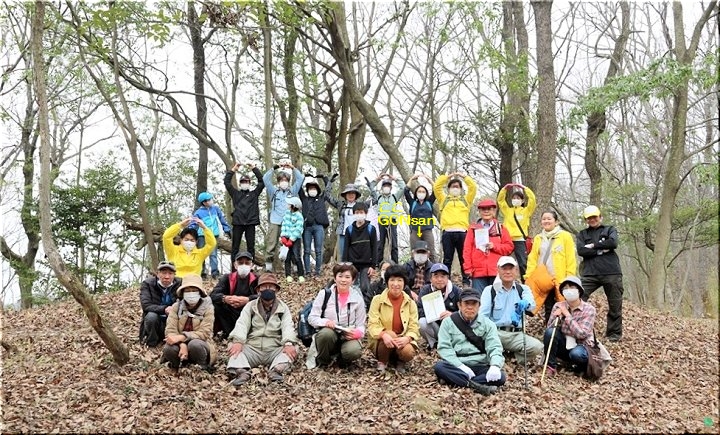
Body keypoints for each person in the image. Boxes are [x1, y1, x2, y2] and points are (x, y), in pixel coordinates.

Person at [226, 273, 299, 385]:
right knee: (233, 346)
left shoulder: (283, 308)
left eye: (271, 286)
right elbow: (242, 324)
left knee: (295, 348)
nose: (268, 289)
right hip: (252, 348)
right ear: (258, 290)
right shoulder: (250, 306)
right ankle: (242, 372)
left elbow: (287, 326)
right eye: (264, 287)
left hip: (274, 349)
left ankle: (276, 370)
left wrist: (288, 343)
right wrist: (238, 341)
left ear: (276, 289)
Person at [433, 289, 506, 396]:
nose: (470, 307)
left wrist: (495, 365)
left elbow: (494, 347)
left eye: (474, 304)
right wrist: (460, 366)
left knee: (501, 377)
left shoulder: (488, 324)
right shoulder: (448, 322)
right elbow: (444, 347)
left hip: (480, 364)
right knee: (439, 367)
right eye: (466, 303)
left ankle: (458, 381)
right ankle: (476, 385)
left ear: (479, 306)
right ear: (459, 305)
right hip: (458, 364)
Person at [480, 256, 543, 365]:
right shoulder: (490, 290)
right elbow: (482, 316)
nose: (508, 272)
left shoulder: (523, 289)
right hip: (496, 333)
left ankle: (511, 359)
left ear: (516, 271)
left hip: (516, 334)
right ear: (498, 270)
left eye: (511, 268)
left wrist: (525, 303)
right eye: (504, 268)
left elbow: (532, 305)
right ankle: (496, 356)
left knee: (536, 347)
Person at [576, 205, 624, 342]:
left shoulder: (610, 229)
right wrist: (602, 248)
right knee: (577, 298)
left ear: (600, 217)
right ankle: (576, 328)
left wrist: (593, 246)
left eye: (594, 217)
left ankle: (614, 334)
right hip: (589, 273)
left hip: (611, 272)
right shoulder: (582, 234)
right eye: (589, 218)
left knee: (615, 304)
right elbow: (581, 251)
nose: (592, 220)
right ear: (586, 220)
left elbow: (613, 243)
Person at [307, 263, 366, 368]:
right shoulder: (325, 294)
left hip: (347, 335)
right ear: (335, 278)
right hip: (329, 332)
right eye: (340, 276)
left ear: (353, 280)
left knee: (354, 350)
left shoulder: (358, 299)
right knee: (326, 334)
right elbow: (312, 318)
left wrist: (357, 333)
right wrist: (325, 322)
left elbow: (361, 324)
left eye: (347, 277)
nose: (343, 280)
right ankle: (323, 361)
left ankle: (342, 360)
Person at [525, 211, 577, 321]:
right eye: (544, 219)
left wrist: (569, 277)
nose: (546, 221)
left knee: (564, 306)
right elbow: (533, 258)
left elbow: (570, 258)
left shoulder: (565, 236)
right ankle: (549, 328)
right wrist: (529, 276)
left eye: (549, 219)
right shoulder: (538, 238)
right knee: (548, 306)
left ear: (556, 222)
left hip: (561, 279)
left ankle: (563, 328)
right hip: (543, 279)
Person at [367, 265, 420, 373]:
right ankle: (382, 361)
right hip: (383, 342)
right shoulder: (377, 300)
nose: (396, 284)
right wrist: (383, 334)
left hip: (402, 340)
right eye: (392, 280)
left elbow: (414, 326)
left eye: (399, 280)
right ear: (387, 282)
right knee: (390, 334)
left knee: (408, 352)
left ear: (404, 283)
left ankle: (400, 361)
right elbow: (372, 324)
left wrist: (407, 338)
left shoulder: (410, 303)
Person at [543, 276, 597, 377]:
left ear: (579, 290)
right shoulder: (558, 305)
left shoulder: (589, 309)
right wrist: (557, 317)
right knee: (550, 332)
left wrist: (567, 315)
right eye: (565, 288)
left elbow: (582, 334)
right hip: (564, 343)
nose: (569, 291)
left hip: (582, 345)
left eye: (572, 287)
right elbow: (549, 329)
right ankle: (551, 366)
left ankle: (580, 369)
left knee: (576, 354)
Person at [162, 274, 217, 370]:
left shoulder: (208, 308)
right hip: (179, 345)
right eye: (187, 291)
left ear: (200, 292)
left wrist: (182, 337)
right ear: (183, 293)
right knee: (168, 348)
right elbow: (170, 330)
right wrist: (182, 344)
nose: (191, 294)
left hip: (200, 344)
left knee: (195, 345)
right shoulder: (176, 307)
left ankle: (202, 367)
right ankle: (177, 367)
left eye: (194, 290)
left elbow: (205, 332)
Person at [433, 172, 477, 285]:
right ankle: (445, 281)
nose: (455, 188)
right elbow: (437, 187)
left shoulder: (466, 200)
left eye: (457, 186)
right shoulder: (443, 199)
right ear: (448, 189)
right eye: (453, 186)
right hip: (447, 232)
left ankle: (466, 282)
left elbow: (473, 188)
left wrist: (464, 177)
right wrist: (446, 177)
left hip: (462, 232)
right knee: (447, 259)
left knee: (464, 258)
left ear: (461, 189)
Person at [463, 198, 514, 291]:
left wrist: (494, 246)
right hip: (477, 273)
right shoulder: (473, 229)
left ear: (494, 211)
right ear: (479, 212)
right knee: (480, 298)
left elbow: (509, 247)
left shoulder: (501, 228)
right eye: (483, 209)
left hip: (497, 272)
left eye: (489, 209)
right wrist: (468, 268)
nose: (486, 211)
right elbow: (467, 249)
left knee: (498, 298)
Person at [263, 160, 304, 272]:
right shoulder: (273, 191)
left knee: (293, 243)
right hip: (275, 221)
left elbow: (300, 179)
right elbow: (265, 179)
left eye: (286, 180)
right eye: (282, 180)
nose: (284, 182)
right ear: (278, 181)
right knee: (272, 243)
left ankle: (295, 264)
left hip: (290, 222)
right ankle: (268, 265)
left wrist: (292, 168)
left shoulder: (292, 191)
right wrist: (275, 167)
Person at [210, 252, 259, 338]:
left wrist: (248, 299)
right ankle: (228, 333)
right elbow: (213, 295)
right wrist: (225, 298)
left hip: (250, 311)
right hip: (231, 311)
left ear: (251, 265)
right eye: (240, 263)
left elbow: (265, 295)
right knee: (216, 304)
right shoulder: (227, 278)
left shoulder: (257, 279)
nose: (244, 265)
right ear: (235, 265)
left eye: (247, 263)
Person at [224, 162, 265, 261]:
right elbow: (227, 182)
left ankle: (250, 267)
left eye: (246, 181)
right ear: (240, 183)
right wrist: (233, 170)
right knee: (235, 247)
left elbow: (262, 182)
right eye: (243, 181)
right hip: (238, 223)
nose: (244, 183)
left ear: (249, 183)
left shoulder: (254, 194)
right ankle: (234, 268)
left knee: (251, 247)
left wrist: (254, 168)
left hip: (250, 223)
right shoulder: (235, 194)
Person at [417, 263, 462, 350]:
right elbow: (418, 309)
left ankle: (453, 343)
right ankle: (434, 344)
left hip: (452, 327)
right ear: (430, 279)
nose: (439, 279)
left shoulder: (456, 291)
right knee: (422, 322)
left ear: (447, 278)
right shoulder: (425, 290)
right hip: (435, 326)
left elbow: (464, 312)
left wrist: (452, 314)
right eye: (436, 276)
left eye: (443, 276)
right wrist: (432, 314)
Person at [497, 183, 536, 279]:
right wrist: (504, 189)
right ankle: (501, 280)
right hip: (508, 240)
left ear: (522, 200)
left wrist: (525, 188)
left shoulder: (526, 211)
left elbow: (532, 200)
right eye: (514, 198)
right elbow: (500, 200)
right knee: (502, 261)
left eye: (518, 198)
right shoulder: (508, 210)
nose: (515, 200)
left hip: (520, 240)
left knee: (522, 263)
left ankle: (525, 281)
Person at [139, 261, 181, 347]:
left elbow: (185, 302)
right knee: (151, 316)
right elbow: (146, 305)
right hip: (156, 321)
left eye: (170, 273)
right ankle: (152, 343)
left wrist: (174, 308)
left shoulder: (180, 283)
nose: (167, 277)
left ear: (174, 275)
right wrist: (164, 309)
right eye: (164, 273)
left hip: (173, 321)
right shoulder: (148, 284)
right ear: (158, 274)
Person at [191, 192, 232, 279]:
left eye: (211, 199)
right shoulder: (198, 213)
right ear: (204, 202)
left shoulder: (215, 209)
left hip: (213, 235)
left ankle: (215, 273)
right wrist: (189, 232)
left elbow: (222, 219)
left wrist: (227, 229)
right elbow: (193, 224)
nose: (211, 201)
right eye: (209, 200)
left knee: (213, 254)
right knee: (201, 254)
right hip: (202, 236)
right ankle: (202, 272)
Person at [342, 202, 378, 294]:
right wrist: (345, 265)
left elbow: (374, 248)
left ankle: (366, 302)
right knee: (351, 287)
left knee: (365, 287)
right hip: (352, 264)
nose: (359, 214)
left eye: (361, 212)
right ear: (354, 214)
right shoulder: (349, 229)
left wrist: (373, 266)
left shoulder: (371, 229)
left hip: (366, 264)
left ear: (366, 213)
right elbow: (345, 248)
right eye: (357, 212)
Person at [368, 173, 405, 263]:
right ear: (382, 188)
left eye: (388, 186)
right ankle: (377, 263)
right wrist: (378, 179)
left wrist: (394, 178)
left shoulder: (394, 197)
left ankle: (395, 263)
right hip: (381, 221)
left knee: (394, 244)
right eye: (385, 186)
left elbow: (403, 187)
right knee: (380, 244)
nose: (386, 187)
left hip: (392, 221)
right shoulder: (378, 197)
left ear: (391, 188)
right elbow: (371, 186)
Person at [299, 176, 331, 277]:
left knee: (318, 250)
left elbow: (328, 190)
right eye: (310, 188)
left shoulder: (321, 199)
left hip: (319, 226)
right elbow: (298, 188)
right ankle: (307, 271)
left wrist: (324, 178)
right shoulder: (304, 199)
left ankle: (318, 271)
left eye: (314, 188)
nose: (312, 190)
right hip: (307, 227)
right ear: (308, 190)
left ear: (317, 190)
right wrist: (303, 177)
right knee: (307, 250)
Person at [323, 179, 362, 259]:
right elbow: (327, 196)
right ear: (345, 195)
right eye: (348, 193)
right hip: (343, 234)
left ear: (356, 195)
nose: (351, 195)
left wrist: (372, 185)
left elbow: (374, 200)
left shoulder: (360, 205)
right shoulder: (340, 204)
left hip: (357, 234)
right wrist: (329, 183)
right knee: (343, 256)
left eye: (353, 193)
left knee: (356, 255)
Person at [404, 174, 437, 262]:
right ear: (416, 193)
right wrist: (411, 179)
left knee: (431, 253)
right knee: (414, 253)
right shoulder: (413, 203)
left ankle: (434, 269)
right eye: (419, 191)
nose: (421, 193)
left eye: (423, 191)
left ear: (426, 193)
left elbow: (436, 190)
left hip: (427, 230)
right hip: (415, 230)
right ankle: (413, 269)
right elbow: (406, 192)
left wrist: (429, 179)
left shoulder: (429, 202)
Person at [280, 197, 305, 283]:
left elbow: (298, 229)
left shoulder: (299, 216)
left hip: (295, 239)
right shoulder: (287, 214)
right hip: (286, 239)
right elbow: (284, 225)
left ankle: (301, 275)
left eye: (289, 204)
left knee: (297, 256)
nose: (287, 205)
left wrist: (291, 239)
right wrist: (283, 236)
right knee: (287, 258)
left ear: (294, 206)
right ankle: (288, 275)